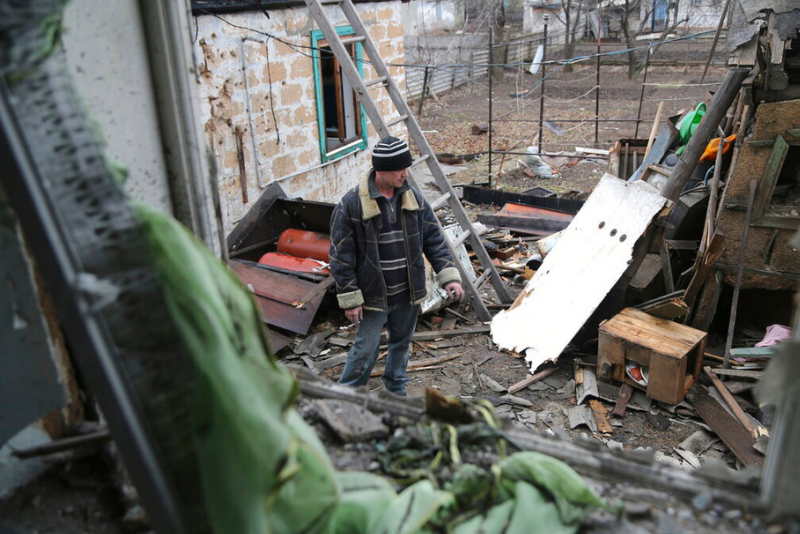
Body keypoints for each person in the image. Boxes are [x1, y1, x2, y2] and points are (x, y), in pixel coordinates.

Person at [329, 136, 466, 395]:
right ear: (382, 169)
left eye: (407, 167)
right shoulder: (351, 205)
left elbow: (434, 240)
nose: (406, 174)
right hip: (372, 296)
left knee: (401, 344)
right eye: (400, 168)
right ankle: (347, 397)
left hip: (407, 293)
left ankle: (395, 392)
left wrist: (449, 277)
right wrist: (350, 297)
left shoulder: (412, 198)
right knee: (365, 349)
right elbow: (340, 256)